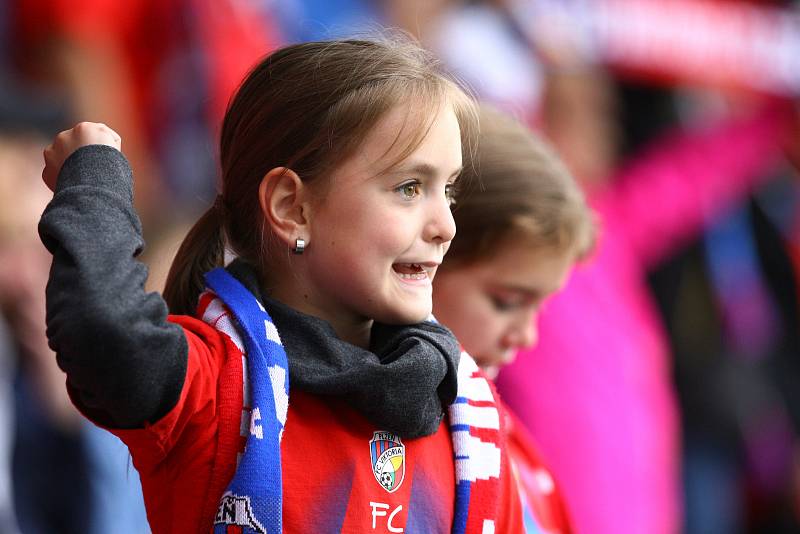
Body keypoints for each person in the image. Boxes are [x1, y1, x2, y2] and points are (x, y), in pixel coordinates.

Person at [38, 37, 525, 533]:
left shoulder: (468, 415)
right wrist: (94, 180)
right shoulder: (216, 386)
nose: (446, 226)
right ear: (292, 208)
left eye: (449, 191)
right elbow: (102, 330)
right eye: (409, 188)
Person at [432, 105, 594, 534]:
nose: (527, 336)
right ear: (424, 257)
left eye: (539, 307)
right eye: (506, 301)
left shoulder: (505, 437)